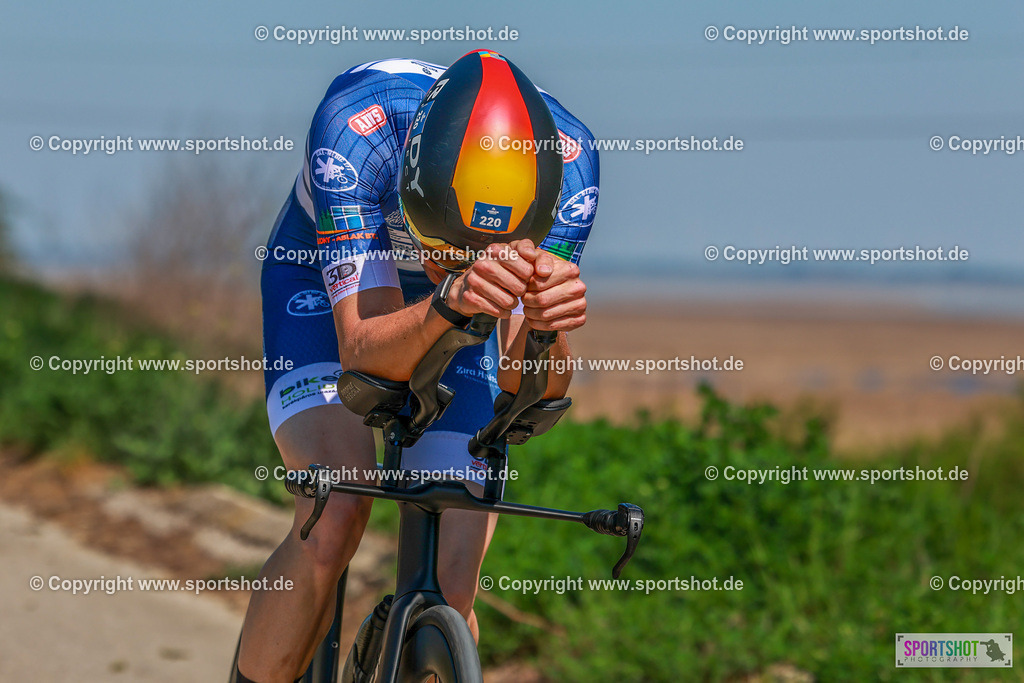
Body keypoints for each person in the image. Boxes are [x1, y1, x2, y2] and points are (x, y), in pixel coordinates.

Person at [237, 49, 599, 682]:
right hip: (329, 287)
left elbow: (526, 396)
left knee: (454, 572)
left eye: (474, 251)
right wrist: (447, 300)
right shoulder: (356, 131)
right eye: (443, 245)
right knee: (337, 505)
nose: (449, 261)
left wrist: (546, 327)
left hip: (462, 307)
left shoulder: (570, 168)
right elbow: (363, 351)